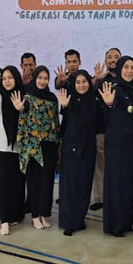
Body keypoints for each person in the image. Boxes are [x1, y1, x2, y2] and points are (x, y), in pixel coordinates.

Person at [98, 55, 133, 237]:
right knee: (117, 185)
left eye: (132, 67)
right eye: (125, 67)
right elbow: (105, 117)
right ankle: (115, 224)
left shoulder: (131, 91)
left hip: (131, 149)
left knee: (128, 185)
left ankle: (126, 221)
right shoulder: (114, 89)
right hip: (117, 148)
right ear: (119, 69)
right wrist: (109, 105)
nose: (129, 70)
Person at [13, 66, 59, 230]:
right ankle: (34, 215)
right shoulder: (27, 97)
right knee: (34, 182)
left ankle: (43, 213)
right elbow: (23, 117)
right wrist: (20, 109)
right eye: (40, 78)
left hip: (49, 145)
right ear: (34, 79)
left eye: (45, 78)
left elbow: (55, 122)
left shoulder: (52, 98)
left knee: (47, 181)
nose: (42, 81)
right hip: (33, 147)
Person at [0, 66, 27, 235]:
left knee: (17, 185)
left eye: (10, 78)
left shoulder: (24, 96)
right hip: (0, 147)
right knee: (2, 185)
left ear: (16, 78)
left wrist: (21, 109)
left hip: (18, 148)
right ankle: (4, 220)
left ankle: (16, 214)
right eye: (4, 78)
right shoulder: (0, 94)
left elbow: (29, 114)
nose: (7, 81)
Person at [57, 70, 100, 236]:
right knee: (69, 186)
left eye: (84, 81)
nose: (81, 85)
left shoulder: (94, 101)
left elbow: (100, 125)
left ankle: (79, 219)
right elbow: (66, 122)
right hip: (70, 149)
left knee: (84, 185)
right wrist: (65, 107)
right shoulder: (69, 100)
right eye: (78, 82)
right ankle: (68, 222)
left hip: (88, 149)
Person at [89, 47, 121, 211]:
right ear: (105, 60)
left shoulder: (125, 78)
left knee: (116, 166)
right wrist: (96, 79)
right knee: (99, 165)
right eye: (110, 57)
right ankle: (99, 198)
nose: (113, 60)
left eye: (116, 57)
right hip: (101, 129)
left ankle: (115, 197)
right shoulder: (100, 78)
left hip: (119, 131)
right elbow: (86, 91)